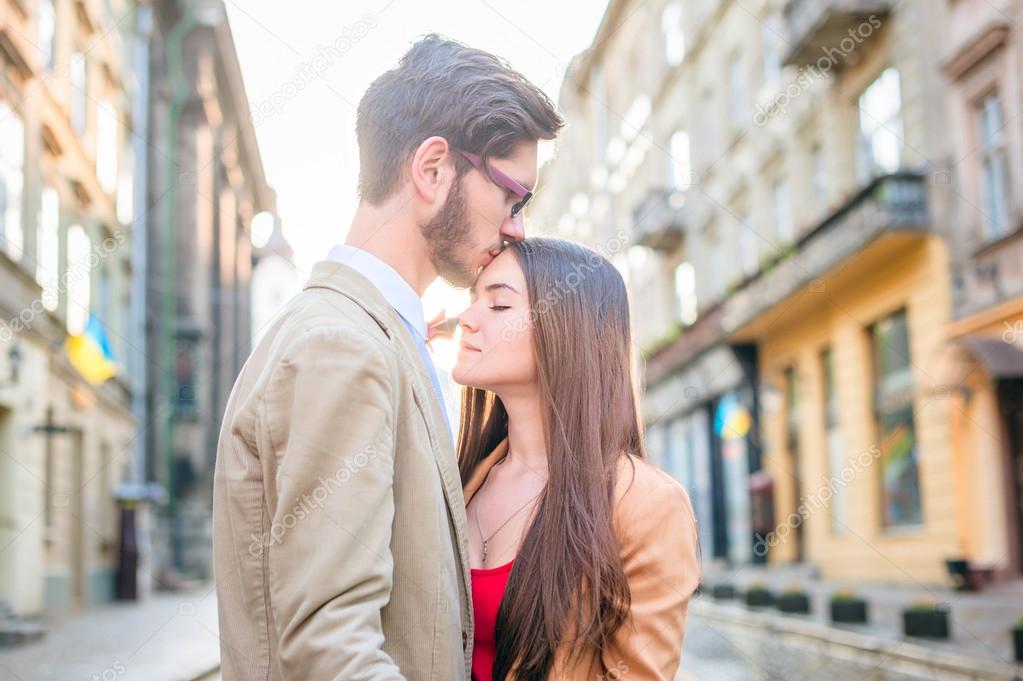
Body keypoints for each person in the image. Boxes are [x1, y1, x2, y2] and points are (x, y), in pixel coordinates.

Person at [212, 34, 562, 680]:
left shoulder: (371, 333)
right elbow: (332, 651)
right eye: (513, 196)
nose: (516, 226)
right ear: (432, 170)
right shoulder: (342, 347)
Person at [454, 238, 702, 681]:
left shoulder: (646, 504)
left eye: (498, 307)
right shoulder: (461, 477)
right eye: (473, 301)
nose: (466, 320)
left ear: (567, 329)